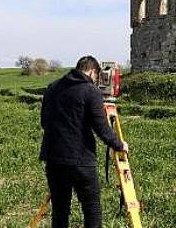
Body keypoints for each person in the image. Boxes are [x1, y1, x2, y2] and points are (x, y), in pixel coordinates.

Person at [39, 55, 129, 228]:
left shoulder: (52, 88)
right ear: (93, 72)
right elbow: (102, 128)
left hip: (53, 159)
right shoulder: (90, 90)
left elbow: (44, 122)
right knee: (92, 209)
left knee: (60, 211)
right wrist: (119, 144)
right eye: (97, 77)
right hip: (81, 161)